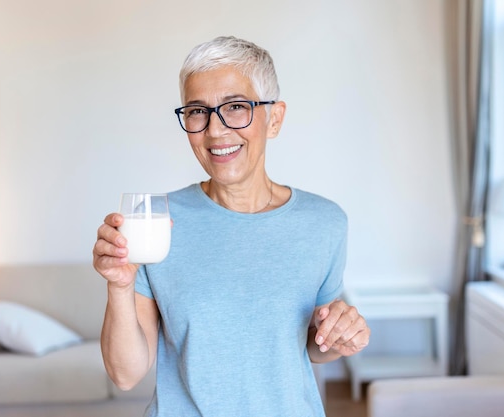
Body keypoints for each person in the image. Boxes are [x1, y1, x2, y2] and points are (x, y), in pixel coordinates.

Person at [93, 36, 370, 416]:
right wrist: (119, 286)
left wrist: (338, 339)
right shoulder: (155, 222)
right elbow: (125, 375)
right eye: (196, 111)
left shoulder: (324, 222)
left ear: (274, 118)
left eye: (236, 107)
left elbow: (312, 345)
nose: (215, 130)